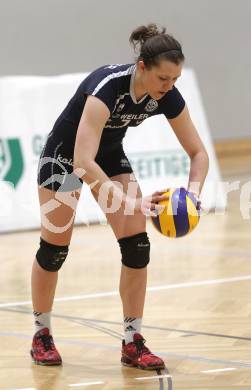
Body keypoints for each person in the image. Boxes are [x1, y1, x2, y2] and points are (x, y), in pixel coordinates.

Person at [30, 23, 209, 370]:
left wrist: (194, 196)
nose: (169, 87)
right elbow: (82, 161)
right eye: (163, 79)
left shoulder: (166, 94)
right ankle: (42, 335)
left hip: (108, 155)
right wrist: (129, 201)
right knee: (54, 250)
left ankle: (133, 341)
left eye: (175, 80)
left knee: (137, 245)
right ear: (142, 67)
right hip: (65, 159)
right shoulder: (107, 88)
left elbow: (198, 153)